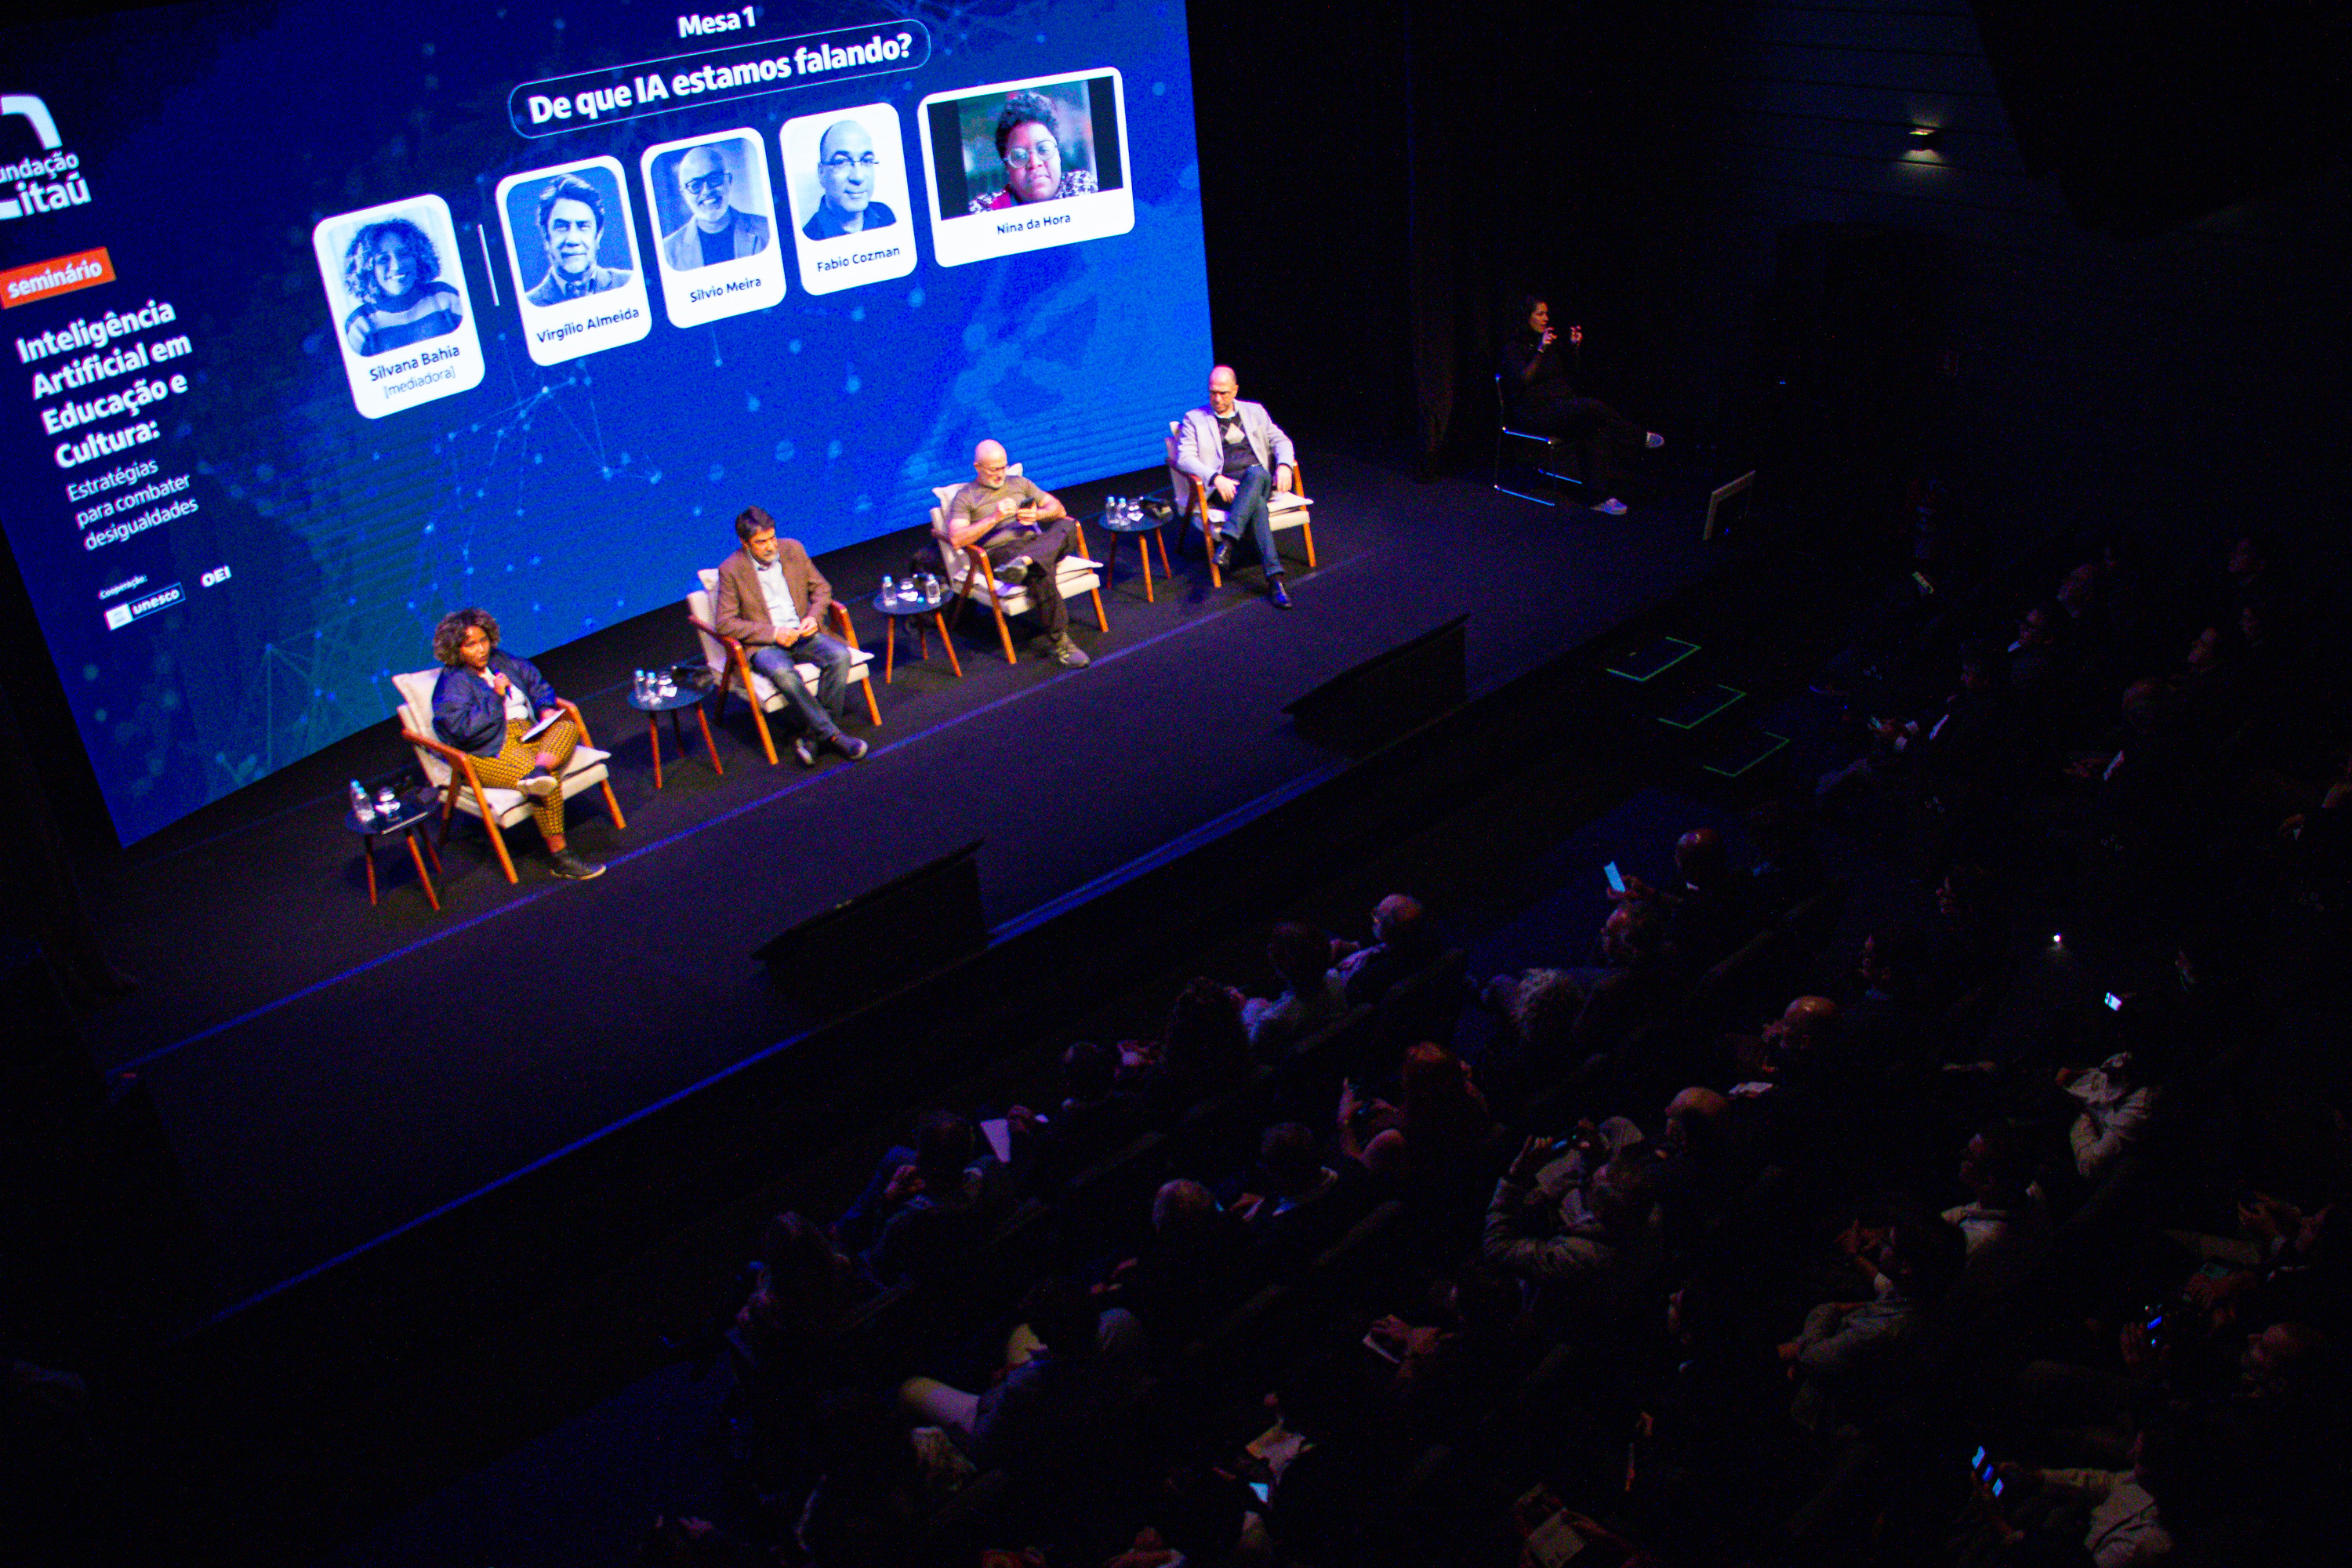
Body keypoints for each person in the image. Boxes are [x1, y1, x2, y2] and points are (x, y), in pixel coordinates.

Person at [428, 608, 604, 880]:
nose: (480, 650)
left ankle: (540, 769)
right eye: (471, 645)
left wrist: (545, 709)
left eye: (483, 641)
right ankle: (561, 858)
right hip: (487, 750)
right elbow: (463, 730)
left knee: (566, 726)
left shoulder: (502, 660)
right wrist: (496, 697)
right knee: (543, 785)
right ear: (457, 649)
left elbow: (536, 683)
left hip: (528, 733)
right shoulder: (452, 685)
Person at [712, 506, 868, 765]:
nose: (770, 546)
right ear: (744, 543)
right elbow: (725, 623)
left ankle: (814, 737)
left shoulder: (793, 549)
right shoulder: (731, 570)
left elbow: (821, 589)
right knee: (784, 675)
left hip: (802, 631)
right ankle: (834, 736)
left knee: (840, 656)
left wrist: (813, 618)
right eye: (761, 542)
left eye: (772, 538)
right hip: (765, 644)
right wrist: (773, 633)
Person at [1497, 293, 1661, 515]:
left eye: (1546, 313)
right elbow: (1522, 380)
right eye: (1540, 314)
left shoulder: (1549, 342)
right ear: (1527, 317)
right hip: (1534, 414)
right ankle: (1639, 437)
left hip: (1561, 407)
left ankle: (1598, 498)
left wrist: (1574, 348)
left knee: (1595, 427)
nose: (1546, 318)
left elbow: (1570, 374)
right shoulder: (1513, 347)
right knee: (1590, 407)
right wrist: (1540, 351)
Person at [935, 438, 1091, 668]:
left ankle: (1027, 561)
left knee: (1067, 525)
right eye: (993, 469)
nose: (1000, 474)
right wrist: (994, 518)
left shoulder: (1020, 483)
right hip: (1002, 553)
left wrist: (1037, 516)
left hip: (1035, 543)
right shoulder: (966, 497)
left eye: (1003, 467)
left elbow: (1058, 508)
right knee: (1039, 571)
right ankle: (1061, 643)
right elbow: (957, 539)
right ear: (978, 468)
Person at [1176, 365, 1299, 608]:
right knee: (1259, 507)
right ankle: (1275, 580)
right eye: (1213, 392)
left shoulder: (1255, 411)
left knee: (1257, 473)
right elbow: (1184, 458)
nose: (1217, 398)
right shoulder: (1194, 419)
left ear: (1235, 391)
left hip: (1258, 480)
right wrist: (1215, 478)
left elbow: (1281, 441)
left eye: (1223, 393)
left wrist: (1285, 465)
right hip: (1227, 489)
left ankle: (1228, 542)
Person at [339, 216, 463, 356]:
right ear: (366, 269)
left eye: (404, 254)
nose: (397, 266)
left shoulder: (445, 297)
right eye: (383, 259)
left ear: (418, 257)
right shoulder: (360, 325)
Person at [965, 90, 1098, 212]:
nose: (1034, 163)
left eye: (1044, 149)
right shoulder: (984, 210)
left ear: (1058, 153)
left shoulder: (1081, 188)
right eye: (1019, 156)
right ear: (1007, 166)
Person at [658, 143, 770, 271]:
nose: (707, 190)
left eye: (714, 178)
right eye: (695, 185)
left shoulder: (769, 230)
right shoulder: (667, 253)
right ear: (684, 194)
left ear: (729, 180)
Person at [522, 174, 631, 304]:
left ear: (598, 235)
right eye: (562, 227)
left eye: (583, 226)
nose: (573, 240)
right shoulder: (528, 304)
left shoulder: (629, 284)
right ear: (546, 237)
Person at [801, 119, 896, 240]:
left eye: (866, 161)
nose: (858, 177)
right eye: (842, 162)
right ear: (821, 173)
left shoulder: (885, 215)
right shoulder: (809, 237)